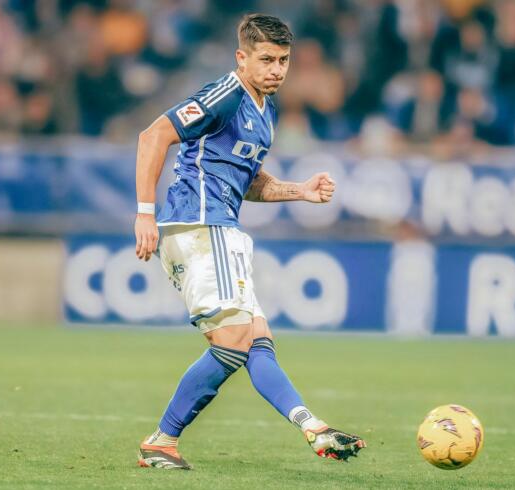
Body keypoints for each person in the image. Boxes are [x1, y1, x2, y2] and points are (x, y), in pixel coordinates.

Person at [133, 13, 366, 470]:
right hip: (200, 226)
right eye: (266, 59)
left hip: (223, 229)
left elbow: (248, 181)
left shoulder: (268, 110)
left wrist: (297, 190)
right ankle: (161, 441)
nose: (276, 69)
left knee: (257, 340)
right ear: (242, 58)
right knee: (235, 340)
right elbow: (154, 135)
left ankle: (312, 426)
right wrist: (145, 214)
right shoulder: (226, 94)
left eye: (283, 60)